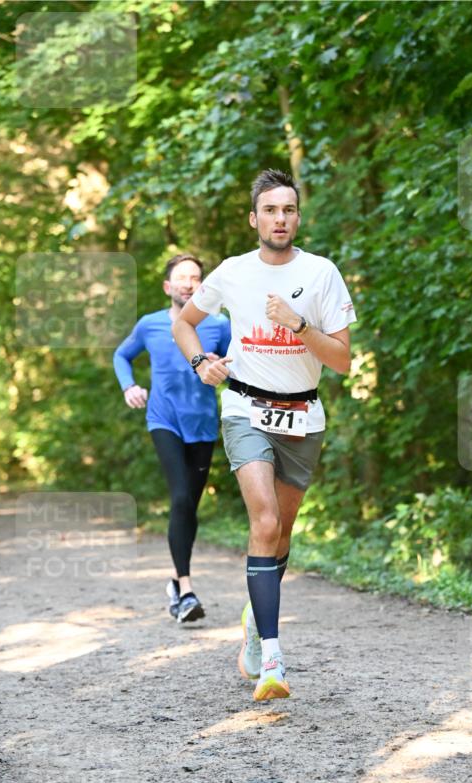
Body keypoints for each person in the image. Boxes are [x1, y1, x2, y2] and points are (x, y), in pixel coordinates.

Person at [172, 169, 356, 700]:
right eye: (271, 210)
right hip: (245, 408)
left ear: (298, 217)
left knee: (282, 533)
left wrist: (299, 325)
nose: (280, 219)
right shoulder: (233, 271)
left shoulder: (321, 273)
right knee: (266, 520)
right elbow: (184, 323)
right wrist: (201, 362)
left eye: (289, 210)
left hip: (303, 415)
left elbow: (342, 360)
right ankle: (272, 659)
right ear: (254, 219)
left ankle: (255, 621)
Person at [113, 254, 231, 623]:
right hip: (164, 420)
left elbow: (238, 367)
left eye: (195, 277)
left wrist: (222, 365)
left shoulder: (219, 325)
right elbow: (121, 355)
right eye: (181, 277)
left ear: (203, 286)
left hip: (203, 425)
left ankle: (176, 584)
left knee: (188, 508)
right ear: (168, 286)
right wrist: (129, 386)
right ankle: (187, 589)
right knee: (180, 497)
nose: (188, 283)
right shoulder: (150, 324)